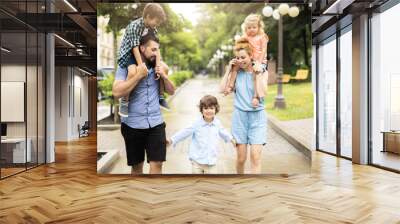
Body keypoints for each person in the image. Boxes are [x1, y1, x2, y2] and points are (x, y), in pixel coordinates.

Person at [112, 31, 175, 174]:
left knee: (157, 164)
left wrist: (164, 77)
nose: (157, 53)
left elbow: (171, 91)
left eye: (158, 49)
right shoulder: (126, 67)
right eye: (153, 49)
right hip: (132, 125)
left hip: (156, 124)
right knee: (137, 168)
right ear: (142, 48)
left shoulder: (160, 66)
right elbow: (116, 92)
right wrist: (138, 76)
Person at [220, 38, 267, 174]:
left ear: (251, 55)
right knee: (241, 158)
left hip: (257, 117)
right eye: (237, 58)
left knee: (255, 157)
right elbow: (222, 89)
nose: (240, 60)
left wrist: (257, 74)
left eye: (243, 57)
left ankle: (253, 188)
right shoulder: (236, 73)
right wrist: (229, 69)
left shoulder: (261, 70)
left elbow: (263, 93)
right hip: (240, 118)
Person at [117, 3, 170, 118]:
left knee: (163, 68)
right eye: (156, 21)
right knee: (132, 72)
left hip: (144, 52)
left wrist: (157, 65)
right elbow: (134, 47)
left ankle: (161, 97)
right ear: (148, 16)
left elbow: (156, 47)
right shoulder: (134, 26)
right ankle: (124, 102)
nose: (157, 24)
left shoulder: (152, 28)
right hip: (130, 53)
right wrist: (141, 66)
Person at [166, 95, 236, 174]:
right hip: (197, 162)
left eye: (211, 108)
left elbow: (224, 132)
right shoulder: (196, 124)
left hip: (211, 162)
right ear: (201, 110)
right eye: (206, 108)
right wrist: (172, 140)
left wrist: (231, 139)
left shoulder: (217, 123)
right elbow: (184, 132)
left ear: (216, 109)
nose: (209, 111)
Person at [224, 14, 269, 108]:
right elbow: (240, 45)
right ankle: (230, 86)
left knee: (256, 73)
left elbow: (264, 50)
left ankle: (256, 96)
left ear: (259, 27)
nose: (251, 29)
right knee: (235, 66)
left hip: (260, 61)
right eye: (249, 28)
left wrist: (259, 63)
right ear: (245, 28)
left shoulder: (262, 37)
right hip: (249, 60)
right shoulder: (246, 37)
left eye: (254, 27)